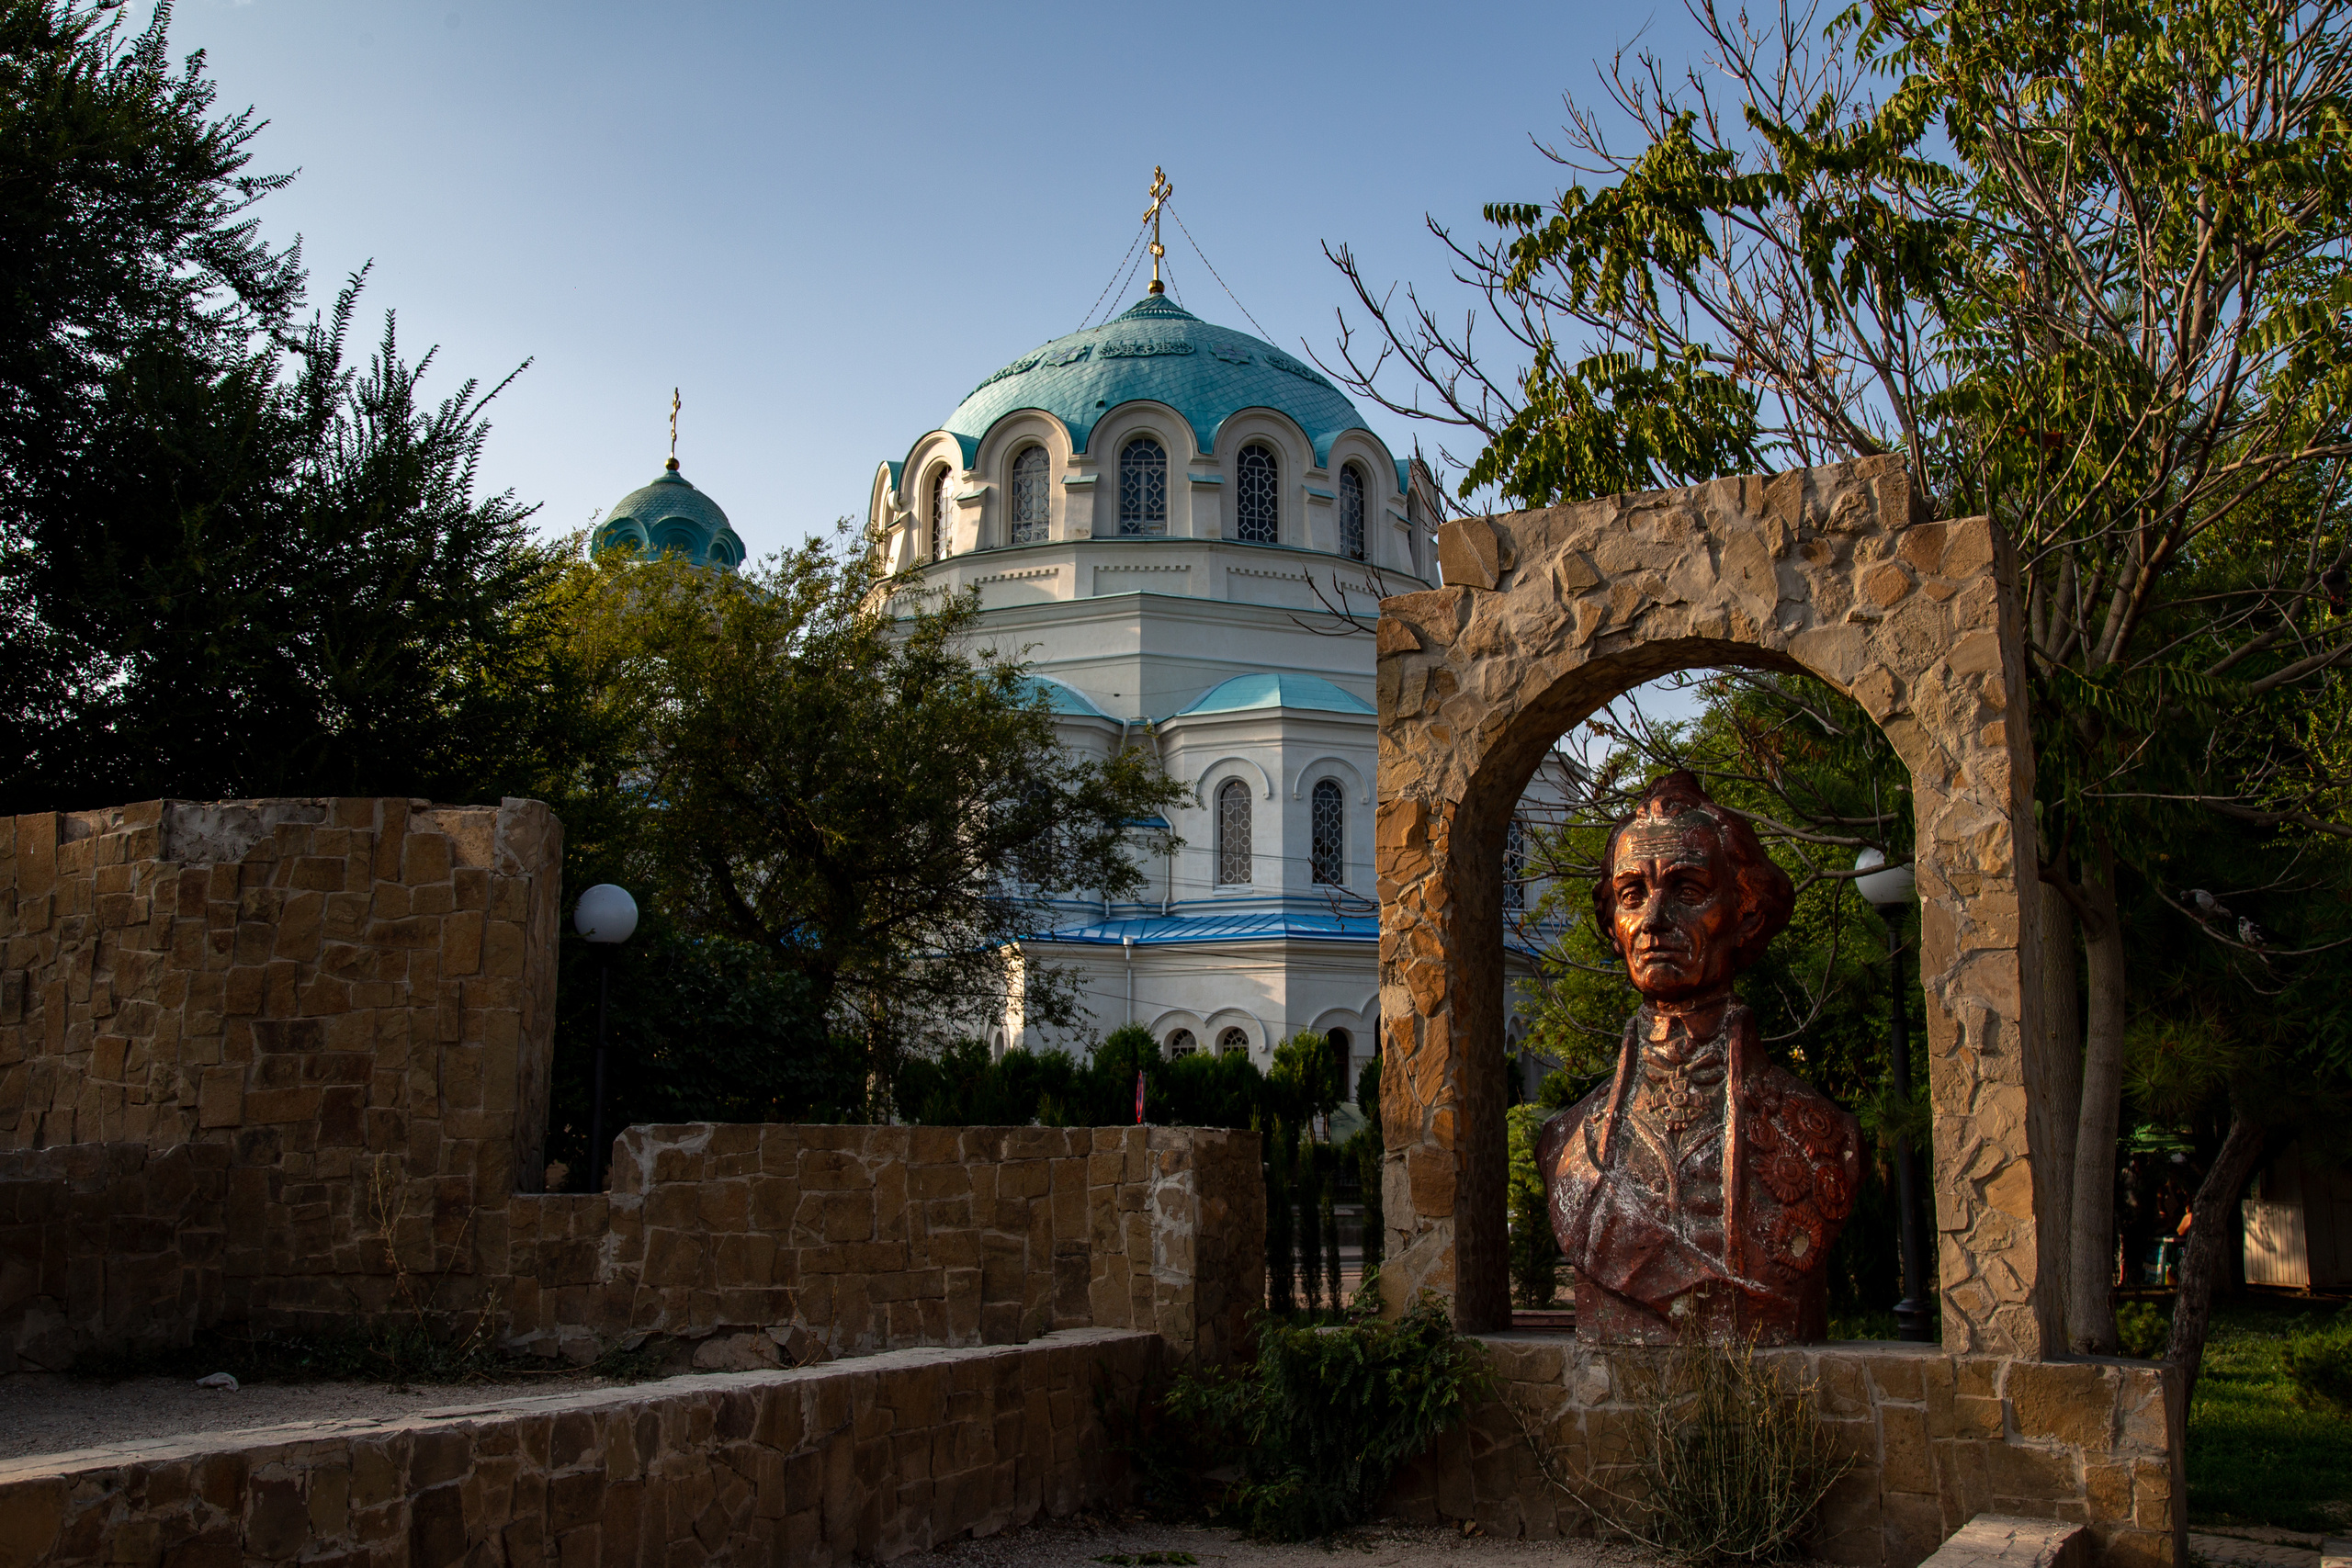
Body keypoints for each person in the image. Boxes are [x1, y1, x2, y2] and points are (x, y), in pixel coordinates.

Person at [1536, 770, 1862, 1344]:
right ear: (1613, 926)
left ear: (1748, 914)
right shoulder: (1567, 1143)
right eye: (1632, 894)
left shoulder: (1819, 1136)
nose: (1655, 920)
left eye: (1687, 890)